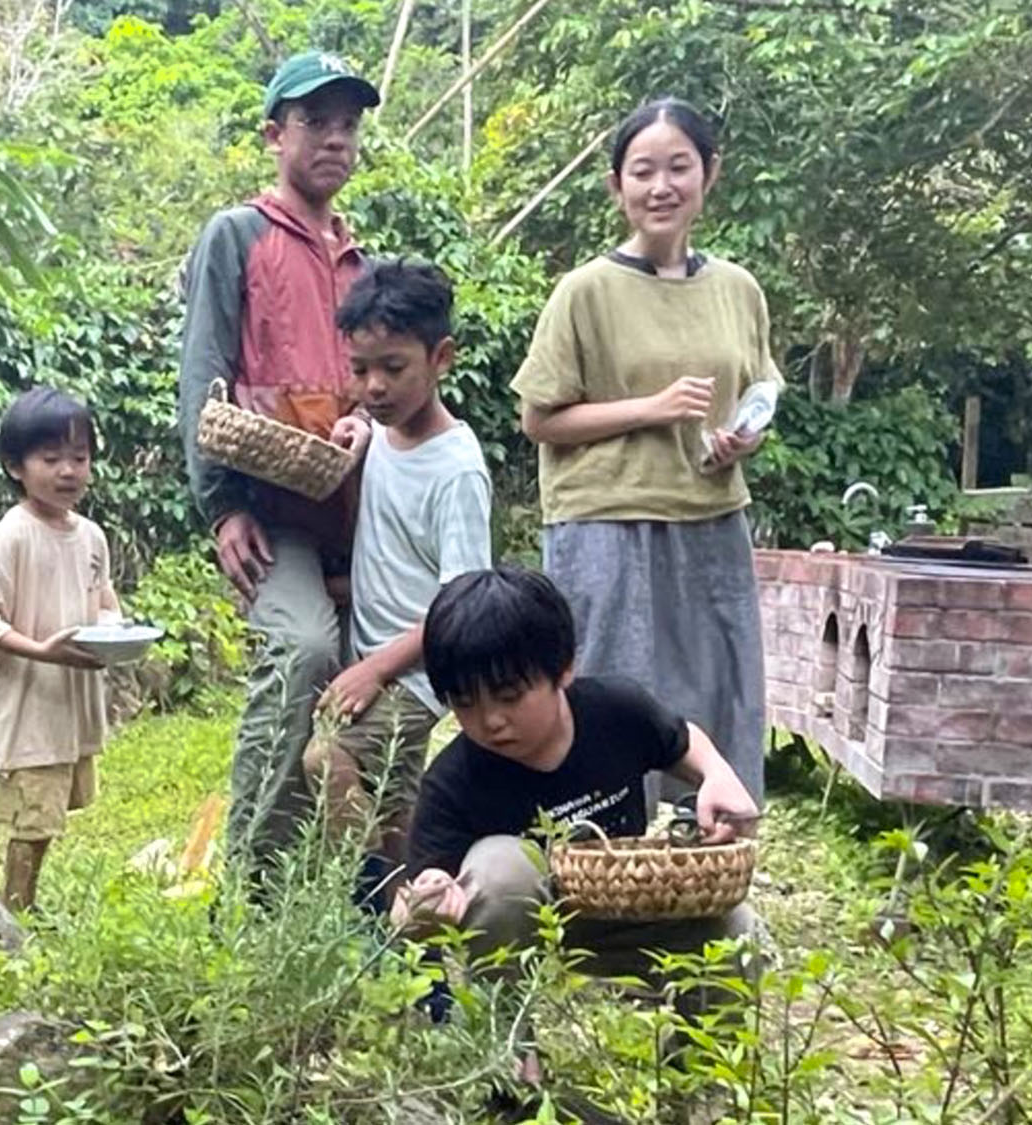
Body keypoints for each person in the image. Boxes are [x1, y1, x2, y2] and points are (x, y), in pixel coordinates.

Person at [511, 97, 780, 807]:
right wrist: (651, 408)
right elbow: (538, 417)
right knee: (609, 694)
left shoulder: (739, 290)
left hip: (712, 520)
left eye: (678, 167)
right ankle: (602, 857)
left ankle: (710, 858)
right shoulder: (584, 292)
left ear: (709, 175)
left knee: (720, 688)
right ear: (617, 186)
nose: (661, 186)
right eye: (642, 171)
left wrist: (744, 436)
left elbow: (760, 388)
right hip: (605, 523)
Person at [176, 50, 381, 872]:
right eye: (314, 122)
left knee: (370, 686)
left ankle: (353, 881)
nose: (334, 139)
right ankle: (253, 879)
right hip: (275, 514)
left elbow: (378, 382)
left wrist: (365, 424)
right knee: (299, 652)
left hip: (358, 510)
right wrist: (223, 505)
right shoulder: (240, 235)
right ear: (275, 134)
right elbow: (204, 371)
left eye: (348, 124)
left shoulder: (362, 260)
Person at [391, 567, 761, 1003]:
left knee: (737, 931)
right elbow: (410, 905)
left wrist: (717, 774)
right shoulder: (451, 782)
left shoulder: (616, 711)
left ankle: (699, 1065)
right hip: (524, 924)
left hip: (627, 910)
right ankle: (510, 1045)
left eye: (509, 697)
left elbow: (680, 740)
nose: (491, 720)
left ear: (563, 669)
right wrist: (426, 903)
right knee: (501, 865)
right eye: (465, 703)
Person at [302, 259, 491, 905]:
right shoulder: (378, 434)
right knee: (396, 810)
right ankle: (427, 943)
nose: (374, 386)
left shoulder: (458, 469)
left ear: (441, 357)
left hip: (417, 669)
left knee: (326, 760)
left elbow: (460, 602)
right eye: (359, 370)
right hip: (377, 656)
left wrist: (375, 669)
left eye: (393, 367)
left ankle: (377, 913)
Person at [0, 387, 120, 913]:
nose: (68, 471)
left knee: (48, 812)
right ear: (15, 466)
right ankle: (15, 911)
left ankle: (23, 905)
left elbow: (104, 598)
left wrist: (115, 630)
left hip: (66, 702)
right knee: (31, 817)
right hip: (25, 704)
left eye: (80, 457)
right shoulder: (10, 537)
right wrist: (45, 651)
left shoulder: (91, 536)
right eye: (51, 459)